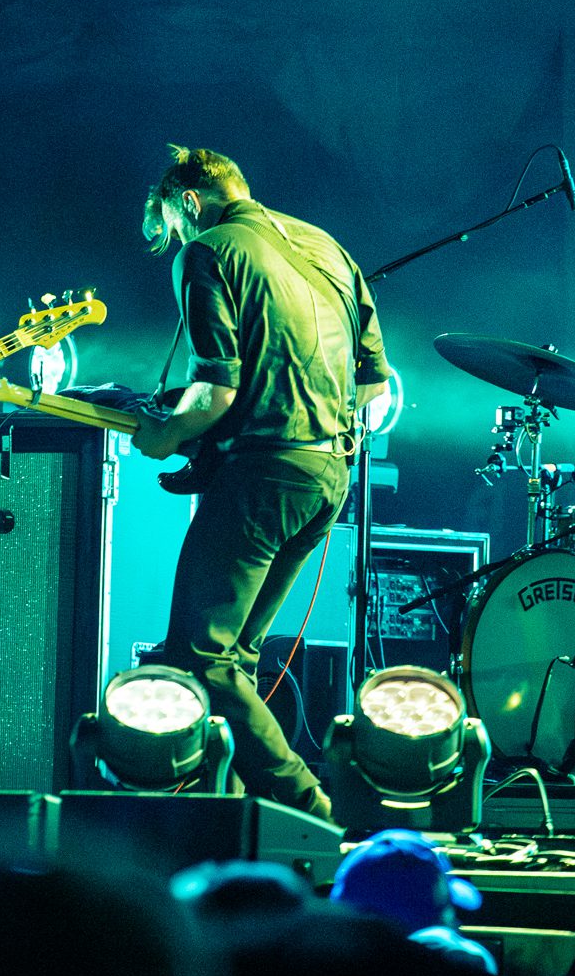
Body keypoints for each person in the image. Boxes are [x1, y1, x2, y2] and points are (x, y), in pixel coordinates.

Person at [132, 146, 389, 820]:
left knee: (201, 657)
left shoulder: (208, 251)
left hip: (265, 477)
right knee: (235, 660)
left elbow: (216, 390)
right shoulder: (327, 246)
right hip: (327, 477)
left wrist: (160, 435)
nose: (178, 241)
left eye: (173, 222)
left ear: (188, 201)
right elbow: (376, 386)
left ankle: (311, 812)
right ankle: (254, 823)